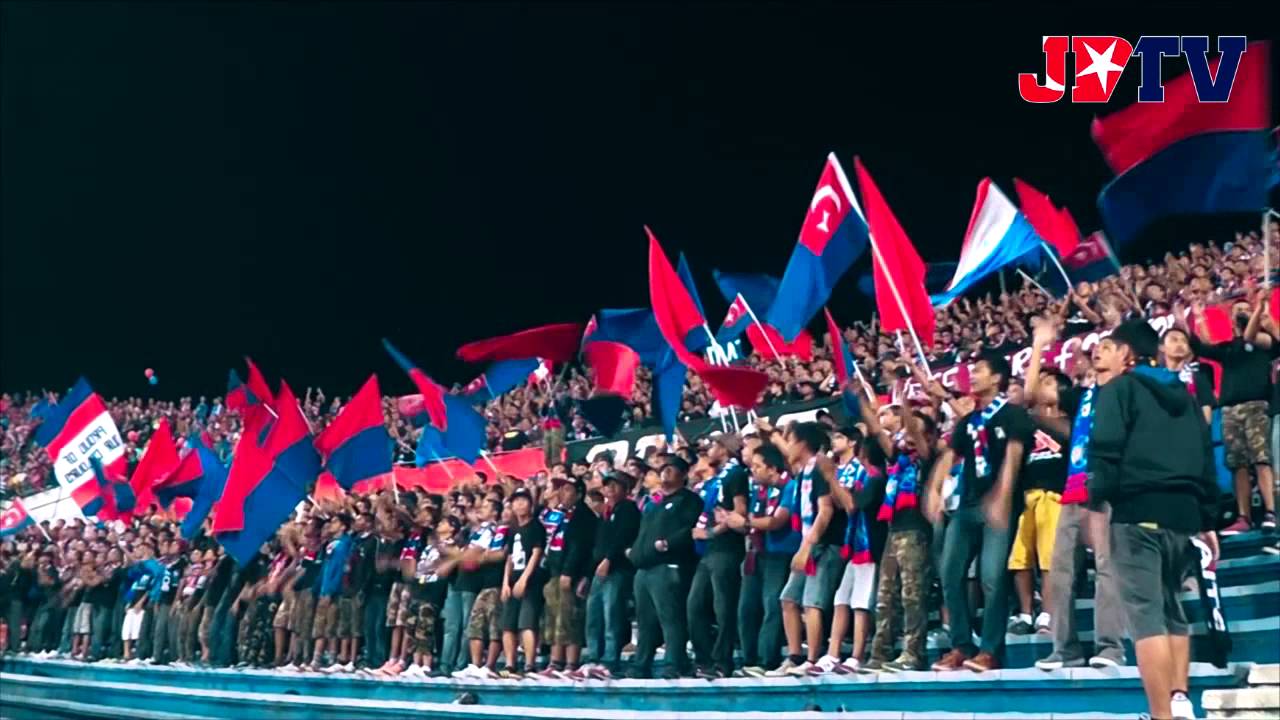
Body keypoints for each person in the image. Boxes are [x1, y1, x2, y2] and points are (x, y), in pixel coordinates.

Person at [1088, 320, 1220, 720]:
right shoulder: (1185, 393)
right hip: (1184, 515)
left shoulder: (1119, 389)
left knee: (1146, 618)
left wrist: (1098, 506)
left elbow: (1105, 451)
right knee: (1171, 609)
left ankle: (1161, 716)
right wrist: (1208, 517)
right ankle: (1180, 703)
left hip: (1137, 511)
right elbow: (1205, 457)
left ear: (1127, 354)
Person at [928, 351, 1034, 673]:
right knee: (949, 574)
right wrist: (934, 489)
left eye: (979, 371)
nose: (972, 376)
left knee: (991, 577)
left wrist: (1002, 496)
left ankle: (990, 650)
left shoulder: (1013, 414)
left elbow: (1014, 456)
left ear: (997, 379)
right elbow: (950, 455)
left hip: (999, 506)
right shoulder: (970, 420)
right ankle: (962, 646)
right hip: (967, 506)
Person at [1190, 293, 1278, 533]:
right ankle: (1243, 517)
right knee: (1237, 464)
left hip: (1256, 406)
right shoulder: (1228, 348)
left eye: (1245, 308)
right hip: (1230, 410)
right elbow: (1203, 346)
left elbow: (1250, 335)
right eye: (1237, 309)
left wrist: (1260, 311)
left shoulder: (1264, 342)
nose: (1241, 312)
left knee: (1261, 459)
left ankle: (1270, 511)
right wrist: (1197, 317)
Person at [770, 422, 845, 676]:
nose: (787, 447)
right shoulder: (803, 471)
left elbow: (825, 511)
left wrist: (806, 548)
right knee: (788, 599)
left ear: (802, 444)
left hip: (824, 545)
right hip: (808, 543)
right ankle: (794, 656)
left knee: (811, 602)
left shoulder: (820, 468)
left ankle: (812, 659)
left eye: (789, 441)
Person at [813, 424, 885, 674]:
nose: (834, 441)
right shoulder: (848, 471)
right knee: (841, 599)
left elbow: (852, 505)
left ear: (856, 445)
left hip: (868, 544)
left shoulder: (871, 474)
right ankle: (832, 655)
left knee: (860, 602)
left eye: (840, 437)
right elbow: (838, 502)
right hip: (852, 544)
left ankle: (856, 655)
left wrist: (832, 476)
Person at [627, 454, 701, 679]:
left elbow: (690, 529)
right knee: (646, 621)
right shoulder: (655, 505)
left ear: (683, 474)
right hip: (644, 569)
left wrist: (667, 545)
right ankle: (642, 664)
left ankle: (675, 662)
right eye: (662, 468)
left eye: (671, 468)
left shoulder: (688, 500)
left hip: (668, 566)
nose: (664, 472)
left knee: (671, 618)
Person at [687, 433, 749, 679]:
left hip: (726, 549)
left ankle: (723, 662)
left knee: (723, 607)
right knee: (695, 606)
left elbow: (740, 512)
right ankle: (704, 660)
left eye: (713, 445)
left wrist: (710, 532)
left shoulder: (735, 475)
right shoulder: (715, 480)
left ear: (724, 448)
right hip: (708, 553)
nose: (709, 449)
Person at [731, 442, 796, 676]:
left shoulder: (790, 486)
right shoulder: (759, 491)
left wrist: (745, 523)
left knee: (771, 606)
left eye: (758, 466)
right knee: (746, 608)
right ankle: (749, 660)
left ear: (772, 468)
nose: (753, 470)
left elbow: (778, 521)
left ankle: (767, 660)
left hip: (780, 554)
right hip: (756, 553)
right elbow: (751, 520)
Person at [581, 472, 640, 679]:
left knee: (612, 615)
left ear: (625, 489)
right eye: (607, 486)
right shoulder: (606, 513)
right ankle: (592, 658)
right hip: (599, 571)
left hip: (617, 570)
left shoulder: (628, 508)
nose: (610, 489)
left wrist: (609, 560)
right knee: (594, 616)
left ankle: (609, 661)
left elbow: (623, 537)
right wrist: (588, 576)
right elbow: (597, 545)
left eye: (615, 485)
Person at [500, 488, 546, 678]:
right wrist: (505, 583)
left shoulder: (536, 526)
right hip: (512, 580)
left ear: (530, 504)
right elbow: (509, 558)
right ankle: (510, 665)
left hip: (530, 580)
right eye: (515, 501)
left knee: (527, 623)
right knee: (508, 625)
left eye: (523, 501)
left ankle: (529, 663)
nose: (519, 505)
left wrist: (524, 579)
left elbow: (537, 553)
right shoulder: (512, 529)